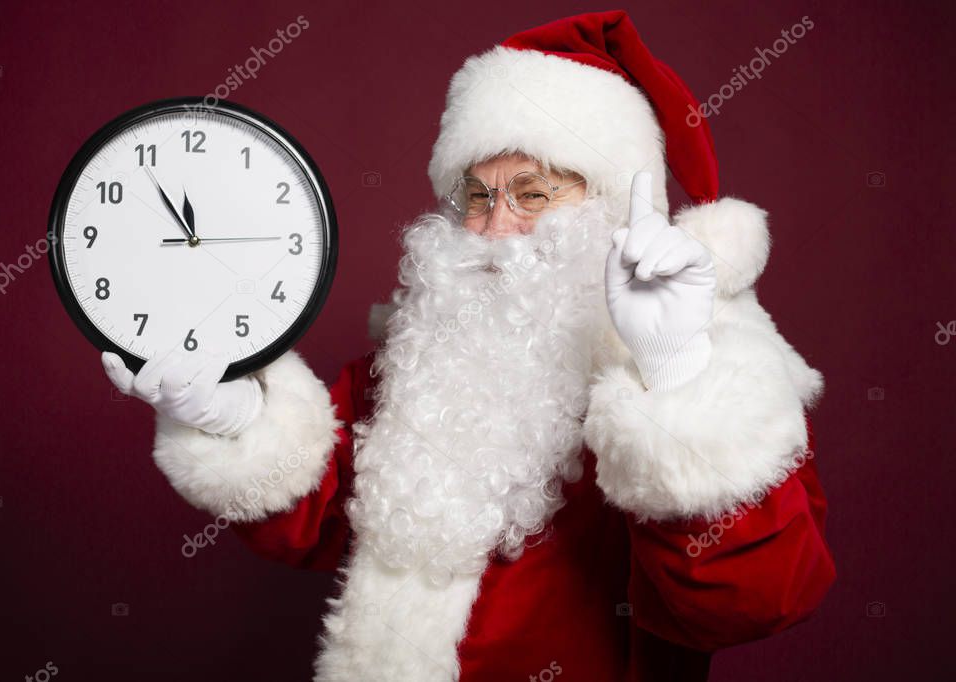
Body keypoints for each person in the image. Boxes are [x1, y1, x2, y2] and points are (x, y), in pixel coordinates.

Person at [101, 10, 836, 681]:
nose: (492, 225)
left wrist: (674, 378)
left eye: (533, 193)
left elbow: (757, 602)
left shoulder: (713, 366)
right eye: (477, 196)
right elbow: (319, 522)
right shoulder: (421, 356)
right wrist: (236, 422)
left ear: (615, 209)